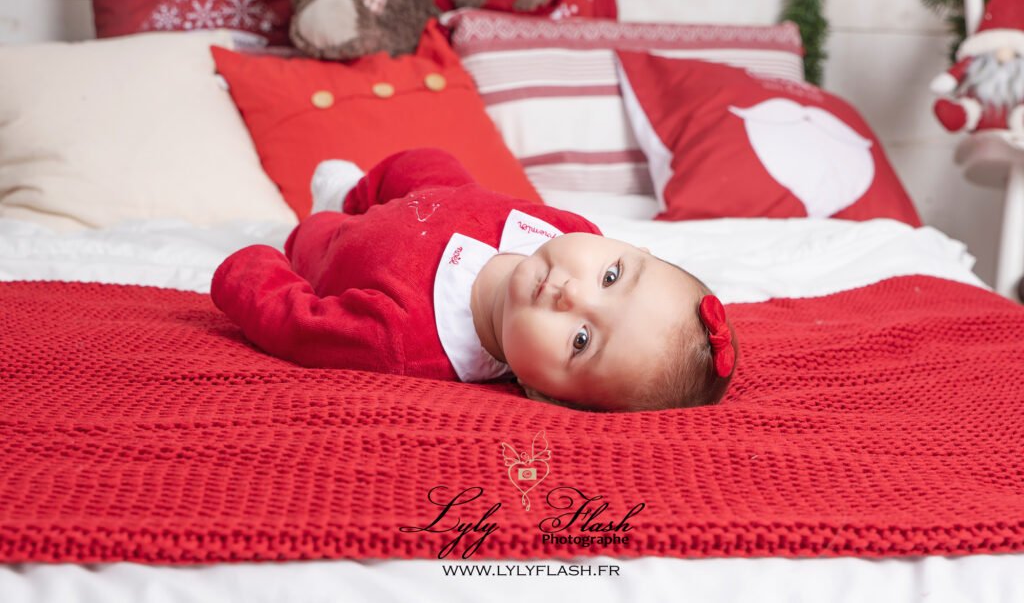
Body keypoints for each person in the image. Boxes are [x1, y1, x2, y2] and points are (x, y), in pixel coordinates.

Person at [211, 148, 737, 412]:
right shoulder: (570, 231)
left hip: (345, 251)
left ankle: (332, 212)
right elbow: (491, 203)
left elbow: (299, 323)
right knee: (428, 162)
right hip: (446, 199)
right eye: (612, 274)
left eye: (581, 340)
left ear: (543, 393)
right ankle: (355, 191)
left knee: (316, 237)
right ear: (627, 247)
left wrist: (253, 271)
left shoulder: (402, 342)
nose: (571, 292)